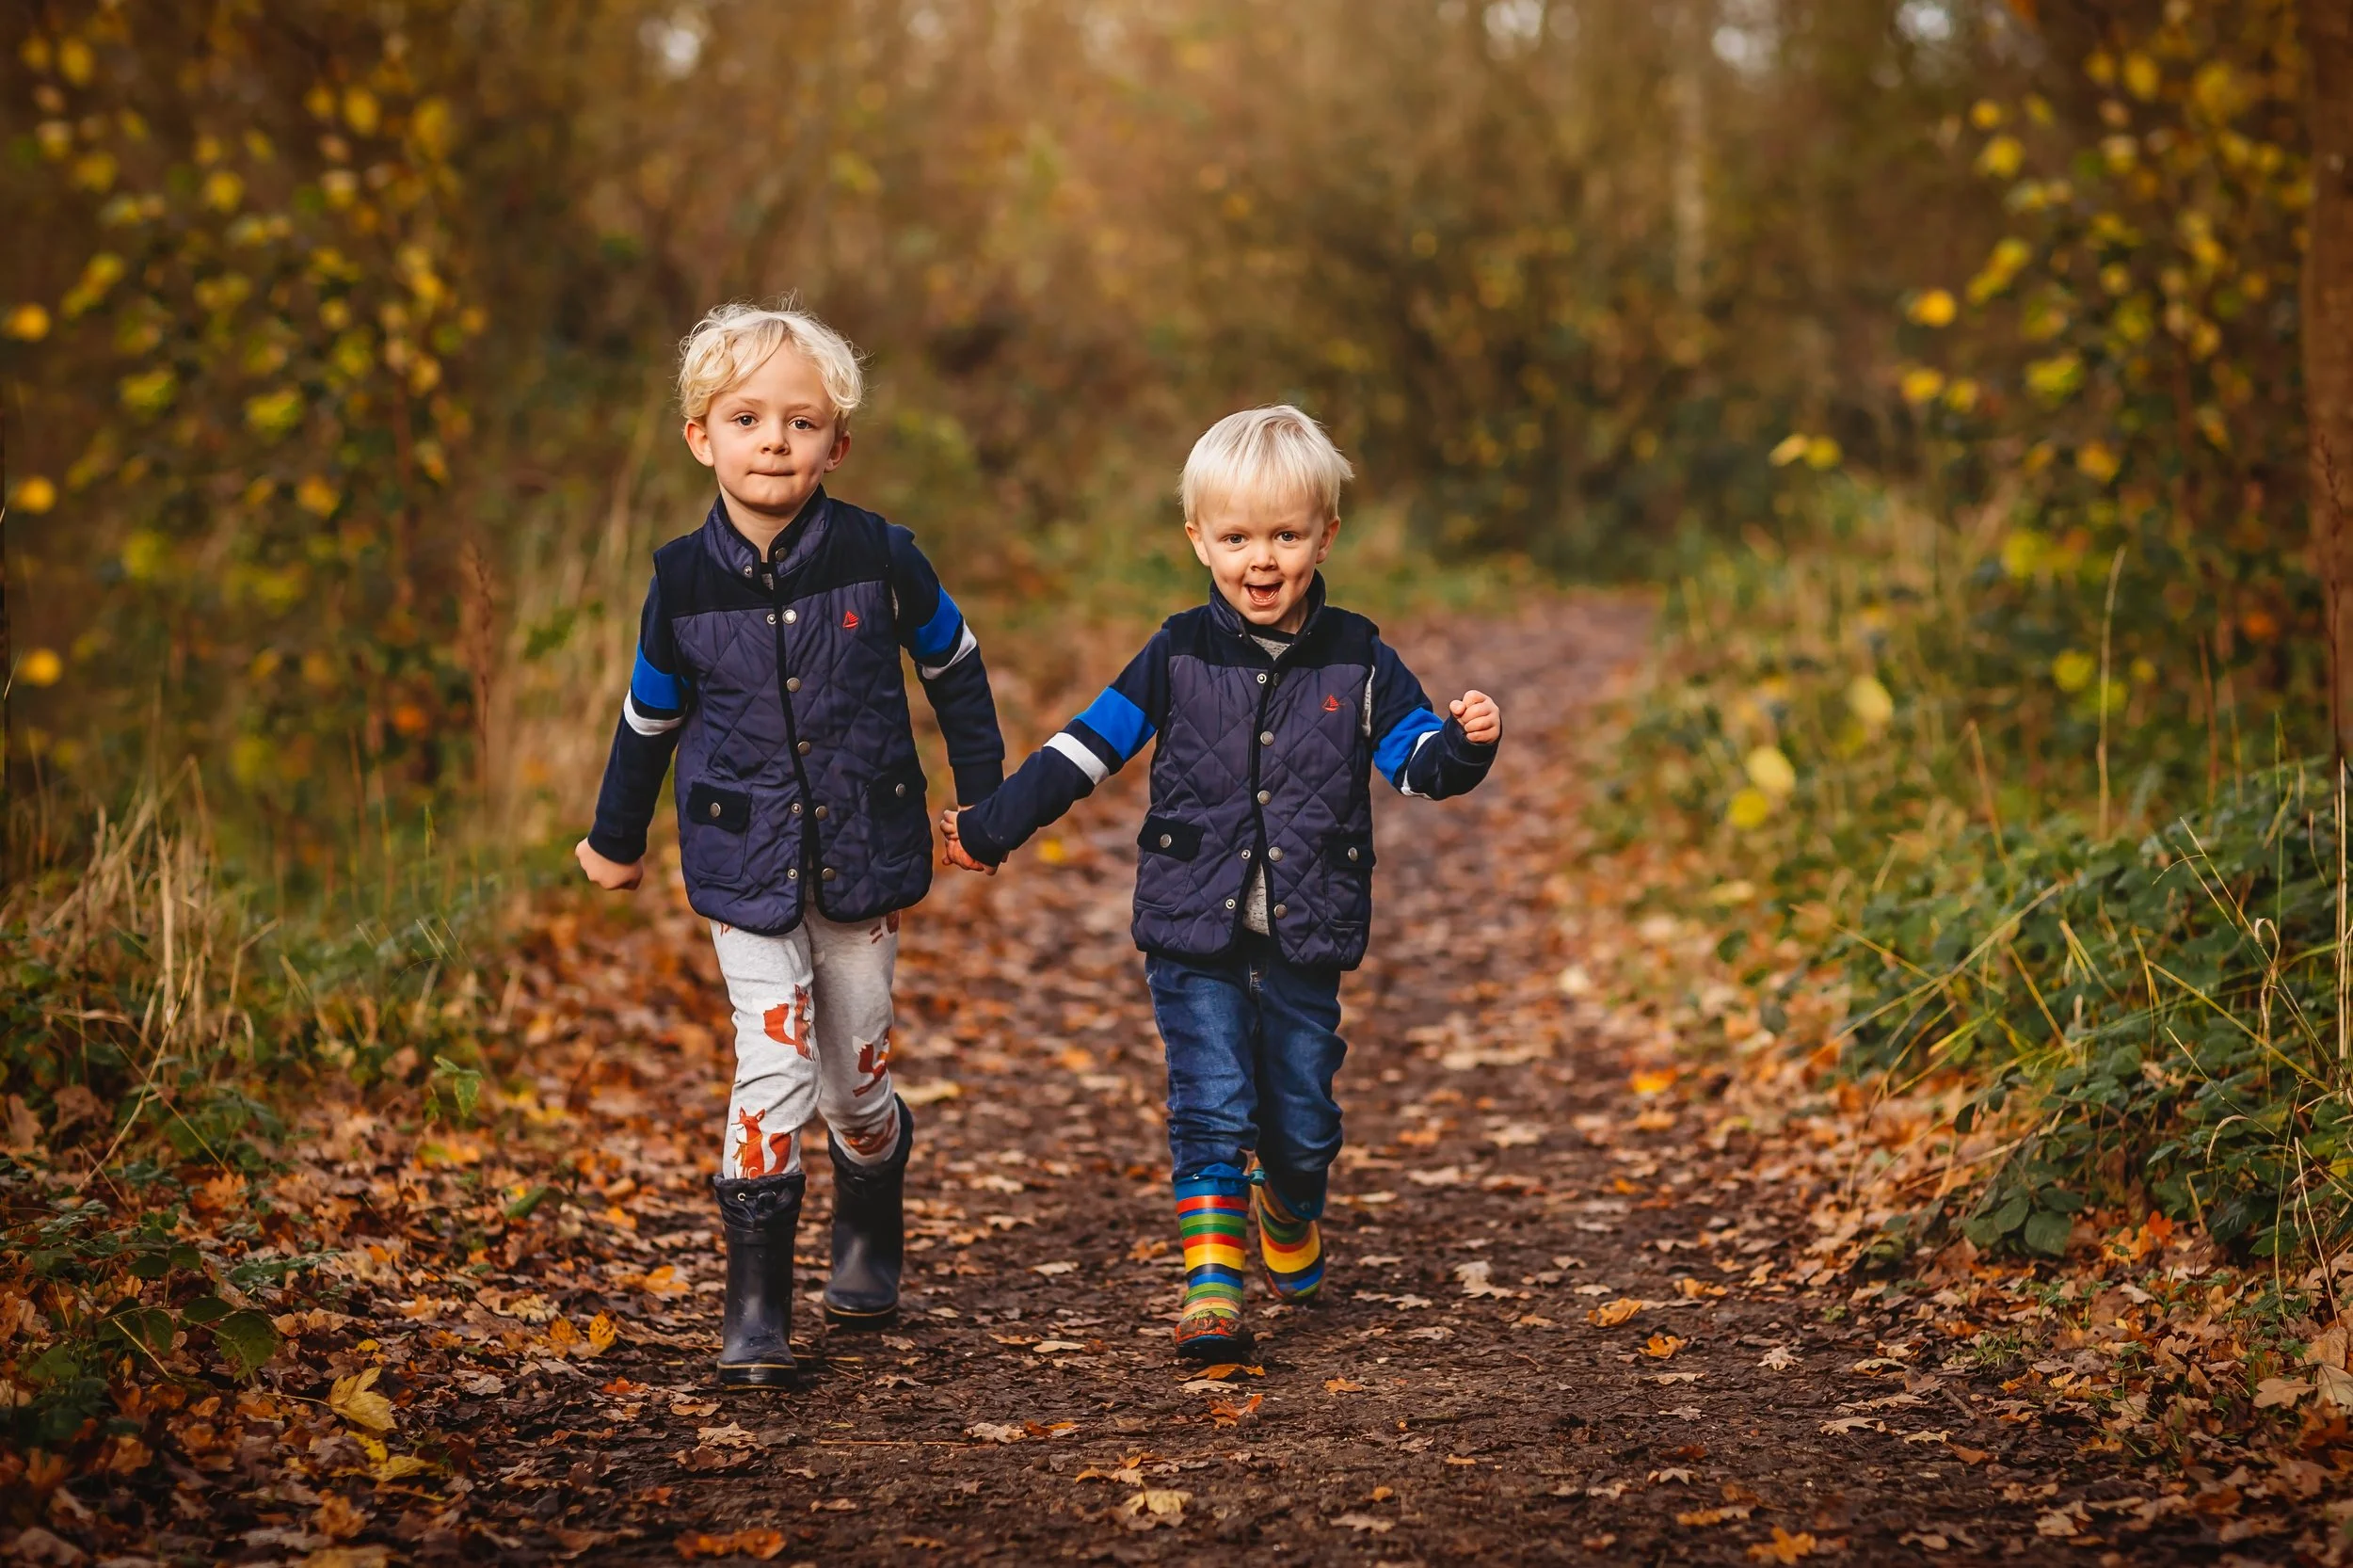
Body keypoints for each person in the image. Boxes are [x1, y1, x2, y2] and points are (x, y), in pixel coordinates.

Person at [940, 406, 1500, 1360]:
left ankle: (1289, 1207)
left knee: (1303, 1119)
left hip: (1306, 932)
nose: (1261, 560)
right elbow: (1086, 747)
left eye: (1285, 535)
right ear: (1197, 539)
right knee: (1211, 1101)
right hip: (1189, 926)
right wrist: (995, 824)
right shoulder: (1176, 651)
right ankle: (1212, 1282)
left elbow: (1411, 762)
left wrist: (1459, 745)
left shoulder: (1359, 657)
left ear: (1326, 535)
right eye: (1236, 537)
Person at [575, 301, 1004, 1386]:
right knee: (770, 1063)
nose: (774, 440)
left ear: (837, 443)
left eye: (801, 422)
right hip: (742, 860)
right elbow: (647, 721)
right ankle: (756, 1307)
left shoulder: (880, 556)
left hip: (863, 853)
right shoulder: (681, 580)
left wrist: (987, 797)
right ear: (700, 437)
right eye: (747, 418)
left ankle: (869, 1204)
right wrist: (613, 836)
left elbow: (955, 666)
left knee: (854, 1080)